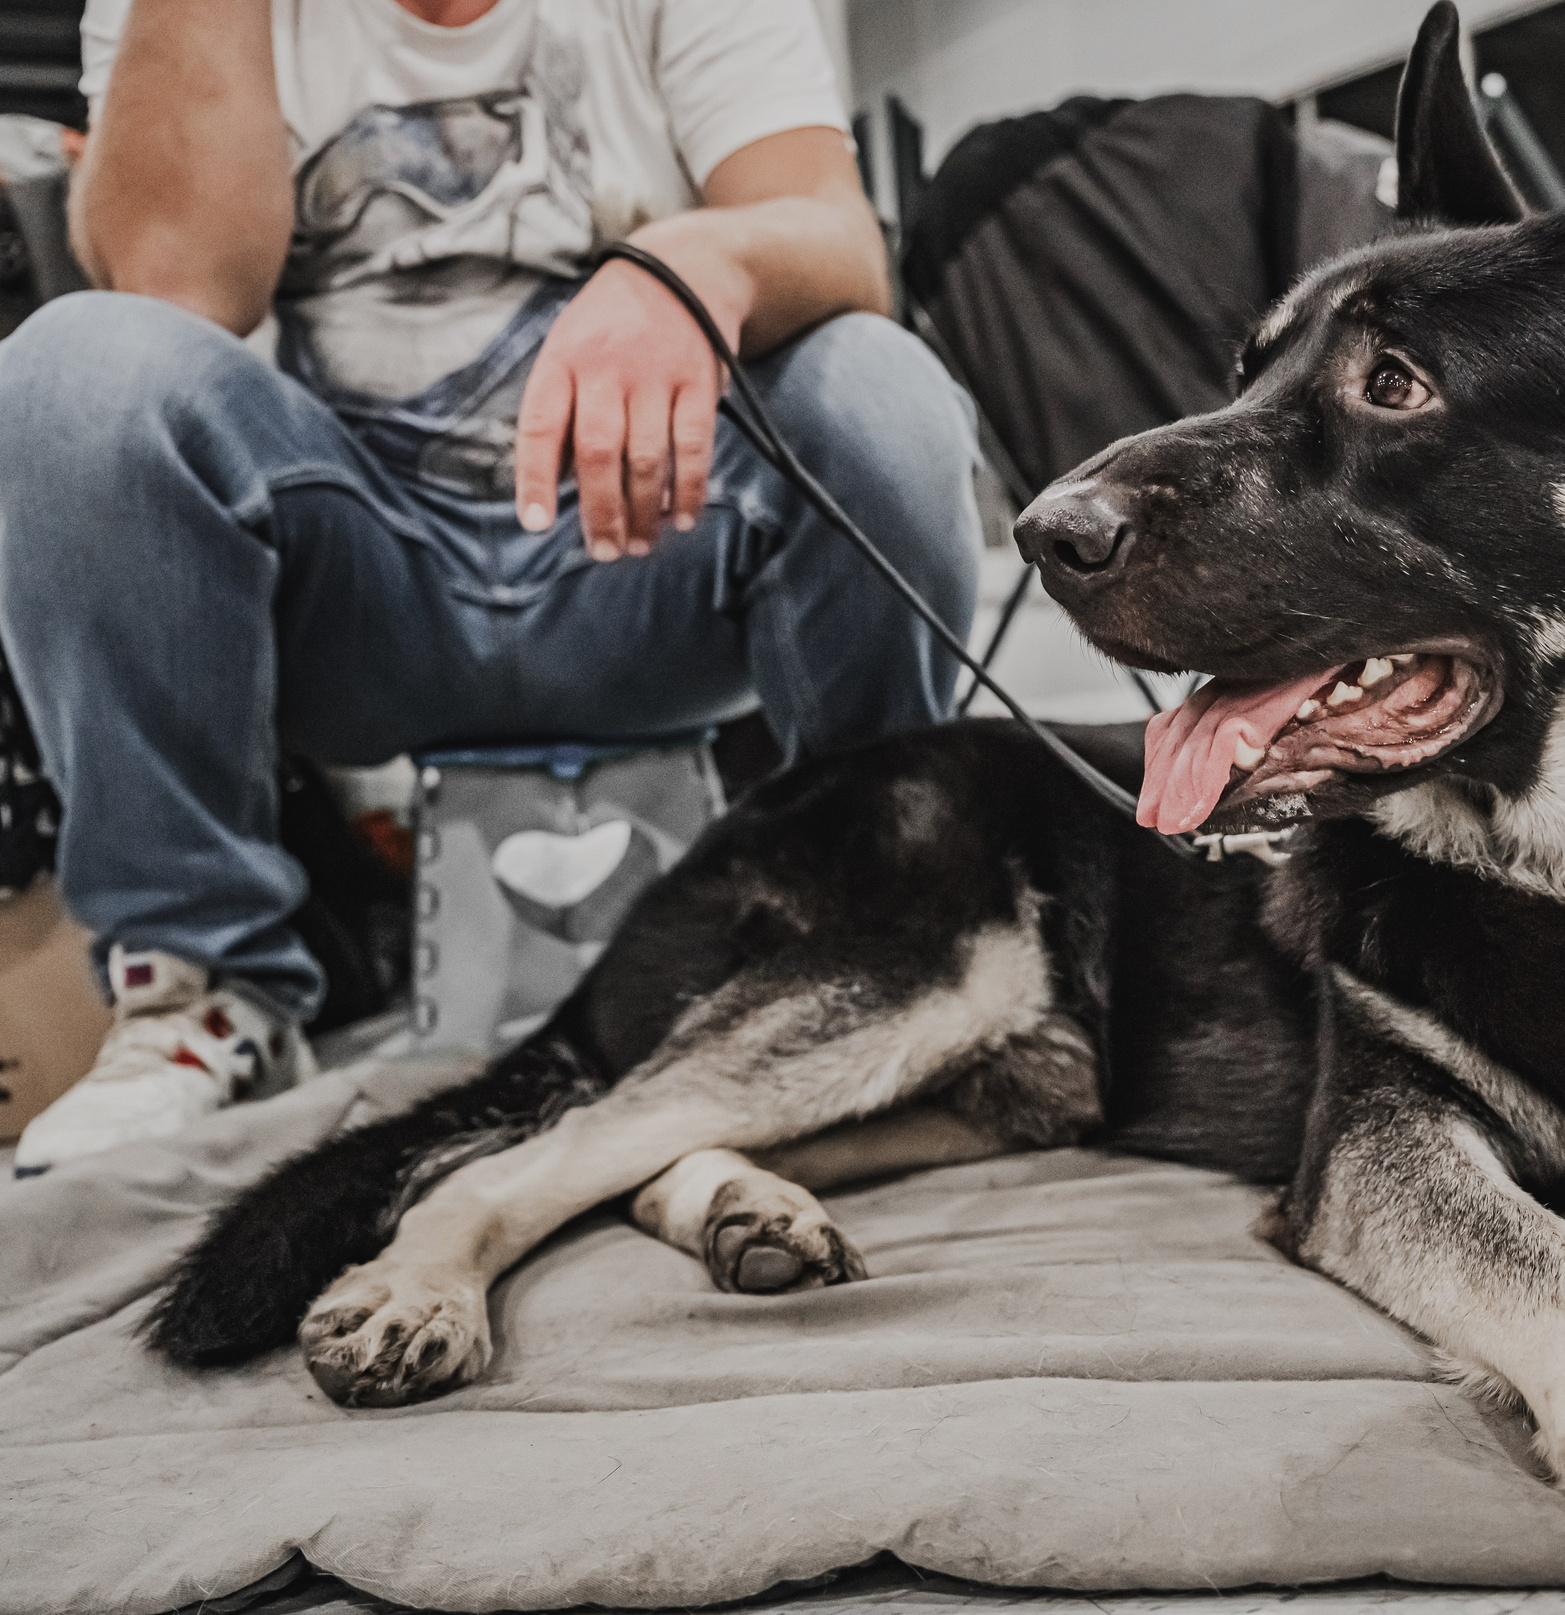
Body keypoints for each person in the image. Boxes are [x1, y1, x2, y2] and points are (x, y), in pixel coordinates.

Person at [0, 0, 983, 1174]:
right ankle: (209, 991)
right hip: (355, 595)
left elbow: (838, 237)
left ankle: (881, 939)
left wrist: (692, 260)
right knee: (73, 368)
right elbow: (175, 286)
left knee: (878, 382)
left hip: (649, 554)